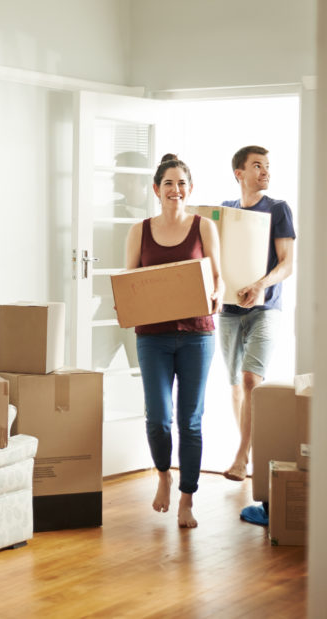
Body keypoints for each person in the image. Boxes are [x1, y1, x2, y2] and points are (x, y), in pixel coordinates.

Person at [123, 153, 224, 528]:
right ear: (156, 189)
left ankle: (187, 498)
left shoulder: (204, 228)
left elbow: (219, 277)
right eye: (168, 183)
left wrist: (218, 294)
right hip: (153, 338)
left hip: (197, 334)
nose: (175, 190)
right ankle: (164, 474)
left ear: (190, 188)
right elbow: (129, 282)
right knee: (159, 419)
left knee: (191, 421)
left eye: (182, 183)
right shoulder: (140, 231)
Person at [218, 146, 296, 482]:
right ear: (239, 173)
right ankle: (246, 451)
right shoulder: (225, 211)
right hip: (229, 310)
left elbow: (287, 263)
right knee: (236, 384)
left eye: (267, 166)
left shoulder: (278, 209)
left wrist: (260, 285)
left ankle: (241, 457)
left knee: (252, 380)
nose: (265, 172)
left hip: (265, 308)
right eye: (257, 166)